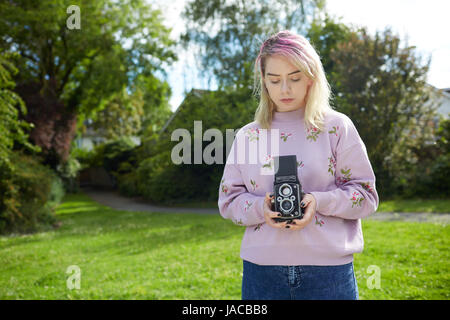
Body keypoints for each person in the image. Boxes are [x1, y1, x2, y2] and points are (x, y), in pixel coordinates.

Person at [217, 30, 379, 300]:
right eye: (274, 80)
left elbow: (366, 197)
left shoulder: (337, 127)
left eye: (294, 78)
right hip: (262, 274)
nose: (285, 89)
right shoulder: (248, 136)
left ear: (311, 77)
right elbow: (228, 202)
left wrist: (318, 201)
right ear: (264, 83)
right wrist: (262, 208)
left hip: (329, 274)